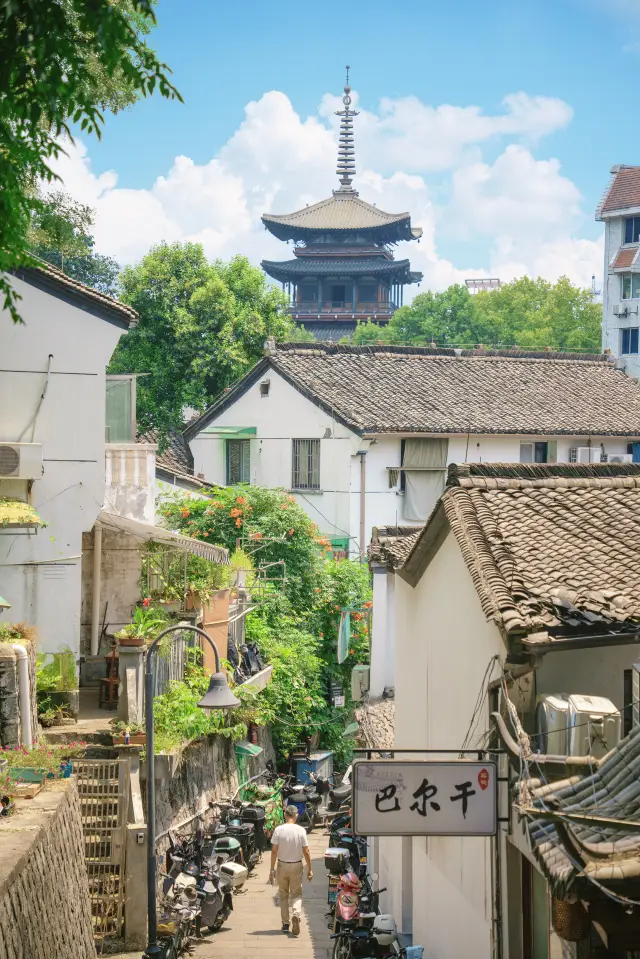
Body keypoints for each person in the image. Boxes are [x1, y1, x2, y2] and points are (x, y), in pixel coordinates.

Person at [269, 805, 313, 935]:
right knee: (296, 894)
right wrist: (310, 868)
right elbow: (306, 851)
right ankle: (296, 914)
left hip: (282, 865)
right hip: (296, 865)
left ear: (285, 815)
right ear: (296, 815)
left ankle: (285, 923)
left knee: (283, 895)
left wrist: (272, 869)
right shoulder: (300, 830)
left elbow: (273, 851)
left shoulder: (278, 830)